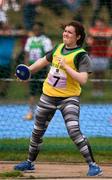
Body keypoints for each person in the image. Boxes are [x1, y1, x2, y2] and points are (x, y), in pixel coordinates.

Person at [14, 21, 102, 176]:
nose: (65, 34)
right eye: (65, 31)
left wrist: (66, 66)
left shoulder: (82, 56)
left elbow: (83, 80)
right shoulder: (58, 48)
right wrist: (28, 71)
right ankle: (29, 162)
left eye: (69, 32)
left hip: (69, 98)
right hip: (48, 95)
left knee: (74, 131)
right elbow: (43, 61)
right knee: (37, 131)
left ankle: (93, 165)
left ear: (78, 37)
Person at [23, 21, 53, 120]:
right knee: (31, 92)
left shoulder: (46, 40)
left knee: (43, 92)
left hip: (42, 69)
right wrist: (26, 69)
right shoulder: (30, 40)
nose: (36, 31)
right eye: (34, 29)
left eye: (37, 29)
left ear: (41, 29)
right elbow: (27, 55)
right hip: (32, 69)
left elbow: (49, 56)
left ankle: (43, 113)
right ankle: (31, 112)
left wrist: (49, 70)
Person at [86, 17, 112, 96]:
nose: (99, 25)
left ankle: (101, 91)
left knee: (102, 73)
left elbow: (108, 35)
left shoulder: (108, 30)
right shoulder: (93, 29)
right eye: (97, 23)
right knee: (95, 74)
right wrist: (101, 36)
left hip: (104, 56)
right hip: (94, 55)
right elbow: (92, 35)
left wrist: (98, 36)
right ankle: (95, 91)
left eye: (100, 23)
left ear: (103, 23)